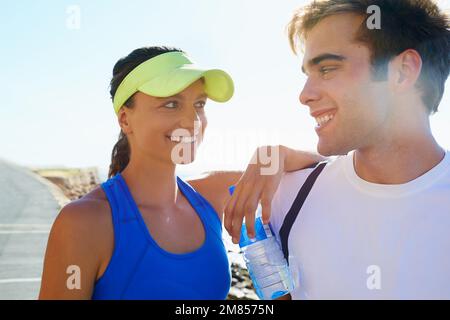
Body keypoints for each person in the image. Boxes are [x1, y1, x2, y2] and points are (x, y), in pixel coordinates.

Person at [38, 46, 325, 299]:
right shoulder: (85, 222)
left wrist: (274, 155)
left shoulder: (213, 195)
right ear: (126, 119)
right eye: (171, 104)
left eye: (199, 104)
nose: (192, 121)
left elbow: (329, 168)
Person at [225, 0, 450, 299]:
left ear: (402, 72)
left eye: (328, 69)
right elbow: (167, 195)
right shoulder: (284, 197)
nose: (305, 95)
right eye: (307, 74)